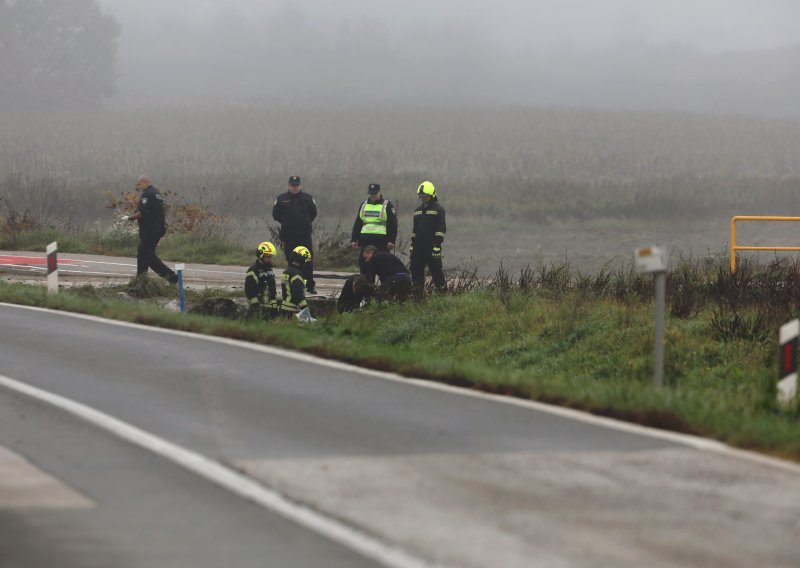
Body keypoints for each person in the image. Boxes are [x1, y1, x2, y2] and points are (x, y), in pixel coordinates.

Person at [123, 175, 178, 283]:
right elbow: (160, 213)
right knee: (142, 254)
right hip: (156, 229)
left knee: (148, 256)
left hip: (149, 230)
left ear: (145, 182)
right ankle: (141, 280)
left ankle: (172, 277)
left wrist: (129, 218)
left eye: (138, 184)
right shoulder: (158, 194)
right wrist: (161, 230)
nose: (137, 187)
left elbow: (143, 213)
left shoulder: (147, 194)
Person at [272, 176, 318, 294]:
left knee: (307, 259)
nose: (294, 188)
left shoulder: (307, 198)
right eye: (292, 185)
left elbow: (313, 213)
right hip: (289, 234)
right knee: (291, 259)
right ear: (288, 186)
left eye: (296, 185)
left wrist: (303, 223)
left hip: (304, 235)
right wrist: (288, 223)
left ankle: (309, 285)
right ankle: (294, 284)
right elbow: (276, 215)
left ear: (300, 186)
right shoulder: (281, 199)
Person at [350, 183, 398, 277]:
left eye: (375, 193)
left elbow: (393, 224)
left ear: (379, 192)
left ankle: (384, 289)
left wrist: (391, 240)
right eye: (371, 194)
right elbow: (358, 223)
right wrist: (354, 239)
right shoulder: (363, 205)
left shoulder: (387, 205)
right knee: (365, 267)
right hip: (365, 241)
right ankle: (366, 288)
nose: (373, 195)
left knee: (383, 267)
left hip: (381, 242)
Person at [410, 180, 446, 291]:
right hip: (418, 247)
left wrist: (437, 245)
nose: (423, 198)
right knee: (415, 270)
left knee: (436, 270)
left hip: (432, 246)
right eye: (421, 196)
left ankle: (442, 292)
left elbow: (441, 229)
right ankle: (418, 294)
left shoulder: (438, 210)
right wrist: (412, 246)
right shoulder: (417, 211)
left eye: (425, 196)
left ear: (431, 195)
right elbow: (414, 231)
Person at [245, 241, 279, 320]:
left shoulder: (269, 269)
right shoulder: (253, 270)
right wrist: (255, 305)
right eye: (268, 257)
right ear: (261, 256)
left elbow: (272, 289)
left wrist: (274, 307)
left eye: (271, 257)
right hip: (259, 306)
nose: (270, 259)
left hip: (269, 307)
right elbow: (250, 289)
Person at [280, 245, 312, 318]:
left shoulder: (287, 271)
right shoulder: (297, 275)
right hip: (293, 309)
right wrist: (305, 308)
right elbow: (298, 294)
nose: (306, 264)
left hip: (285, 307)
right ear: (302, 259)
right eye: (306, 260)